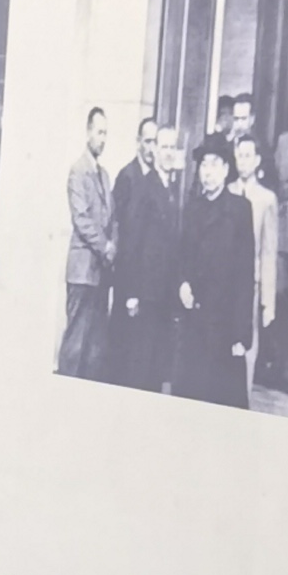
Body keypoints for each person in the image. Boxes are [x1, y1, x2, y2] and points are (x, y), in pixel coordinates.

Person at [172, 137, 259, 406]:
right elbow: (182, 257)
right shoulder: (193, 208)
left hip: (224, 328)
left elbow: (245, 276)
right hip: (194, 324)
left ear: (225, 170)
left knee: (222, 402)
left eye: (214, 165)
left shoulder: (239, 209)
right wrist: (182, 284)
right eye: (203, 165)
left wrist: (240, 335)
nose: (208, 172)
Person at [105, 117, 183, 392]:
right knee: (139, 370)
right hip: (144, 296)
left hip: (162, 298)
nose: (169, 153)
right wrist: (131, 293)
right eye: (164, 147)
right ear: (155, 150)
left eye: (173, 147)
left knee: (154, 373)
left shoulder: (171, 189)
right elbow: (131, 242)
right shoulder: (144, 185)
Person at [60, 108, 116, 379]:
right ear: (87, 132)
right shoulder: (78, 171)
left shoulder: (104, 175)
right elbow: (81, 219)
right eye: (99, 132)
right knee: (75, 346)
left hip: (100, 274)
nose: (102, 139)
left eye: (106, 133)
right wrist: (106, 247)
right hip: (82, 273)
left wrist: (113, 246)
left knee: (95, 350)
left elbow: (112, 218)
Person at [232, 134, 282, 396]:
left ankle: (245, 398)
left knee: (247, 346)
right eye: (240, 155)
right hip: (224, 283)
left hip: (250, 284)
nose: (243, 161)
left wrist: (268, 301)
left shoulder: (266, 199)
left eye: (248, 156)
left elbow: (269, 252)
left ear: (257, 160)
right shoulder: (226, 190)